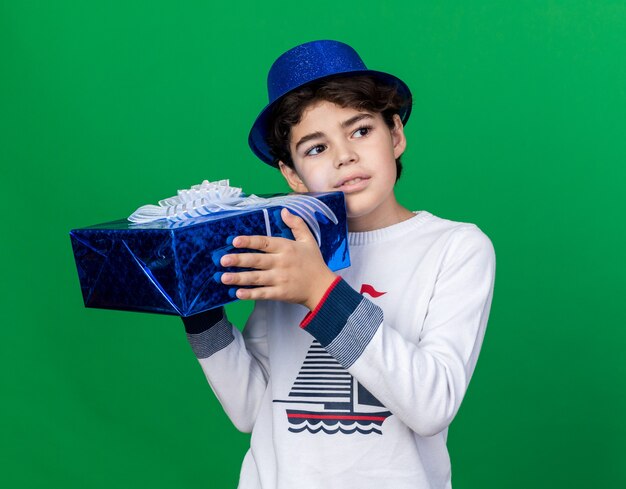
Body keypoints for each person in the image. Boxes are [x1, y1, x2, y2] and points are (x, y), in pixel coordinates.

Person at [182, 40, 496, 489]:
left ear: (396, 134)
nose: (344, 155)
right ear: (291, 175)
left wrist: (319, 292)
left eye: (361, 130)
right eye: (314, 148)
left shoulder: (455, 248)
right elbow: (253, 411)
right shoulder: (287, 248)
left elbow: (431, 406)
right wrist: (199, 309)